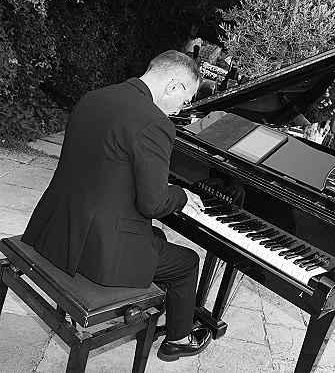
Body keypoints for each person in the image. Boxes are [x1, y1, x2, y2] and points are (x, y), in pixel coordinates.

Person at [21, 50, 213, 362]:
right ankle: (179, 338)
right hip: (97, 253)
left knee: (158, 241)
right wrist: (181, 194)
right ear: (173, 86)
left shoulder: (95, 97)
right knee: (187, 262)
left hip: (58, 230)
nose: (181, 108)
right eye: (185, 98)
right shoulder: (154, 122)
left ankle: (153, 306)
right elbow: (153, 204)